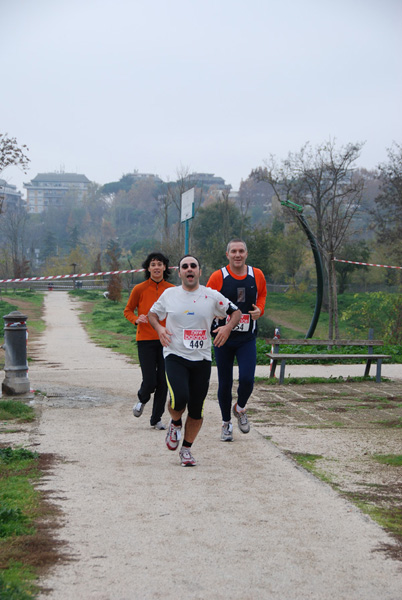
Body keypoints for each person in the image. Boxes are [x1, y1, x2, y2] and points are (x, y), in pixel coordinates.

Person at [148, 255, 241, 466]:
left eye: (193, 266)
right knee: (180, 398)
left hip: (202, 358)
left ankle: (187, 450)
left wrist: (227, 327)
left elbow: (236, 312)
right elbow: (153, 314)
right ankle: (175, 423)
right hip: (175, 355)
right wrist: (160, 328)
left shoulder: (211, 296)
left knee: (197, 408)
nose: (189, 269)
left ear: (199, 272)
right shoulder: (169, 294)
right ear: (179, 272)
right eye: (185, 267)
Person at [207, 238, 267, 442]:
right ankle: (226, 423)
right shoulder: (218, 276)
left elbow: (262, 296)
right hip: (223, 338)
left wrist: (260, 309)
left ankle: (240, 408)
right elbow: (208, 300)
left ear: (246, 254)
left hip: (246, 337)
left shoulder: (256, 274)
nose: (237, 255)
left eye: (241, 251)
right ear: (227, 255)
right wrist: (217, 319)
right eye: (234, 251)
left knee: (248, 379)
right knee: (225, 382)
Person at [124, 252, 175, 429]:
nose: (156, 267)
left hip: (166, 340)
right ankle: (142, 398)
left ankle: (156, 419)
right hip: (145, 339)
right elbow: (128, 310)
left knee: (163, 382)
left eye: (160, 264)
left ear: (165, 267)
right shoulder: (139, 289)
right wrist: (136, 319)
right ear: (148, 268)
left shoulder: (172, 289)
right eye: (153, 264)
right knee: (150, 380)